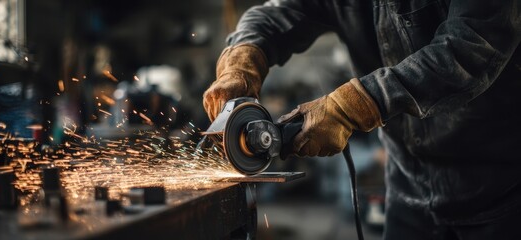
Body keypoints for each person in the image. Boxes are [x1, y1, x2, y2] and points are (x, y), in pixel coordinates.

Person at [203, 1, 521, 239]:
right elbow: (277, 13)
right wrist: (242, 60)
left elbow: (470, 48)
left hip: (499, 187)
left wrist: (351, 106)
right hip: (409, 186)